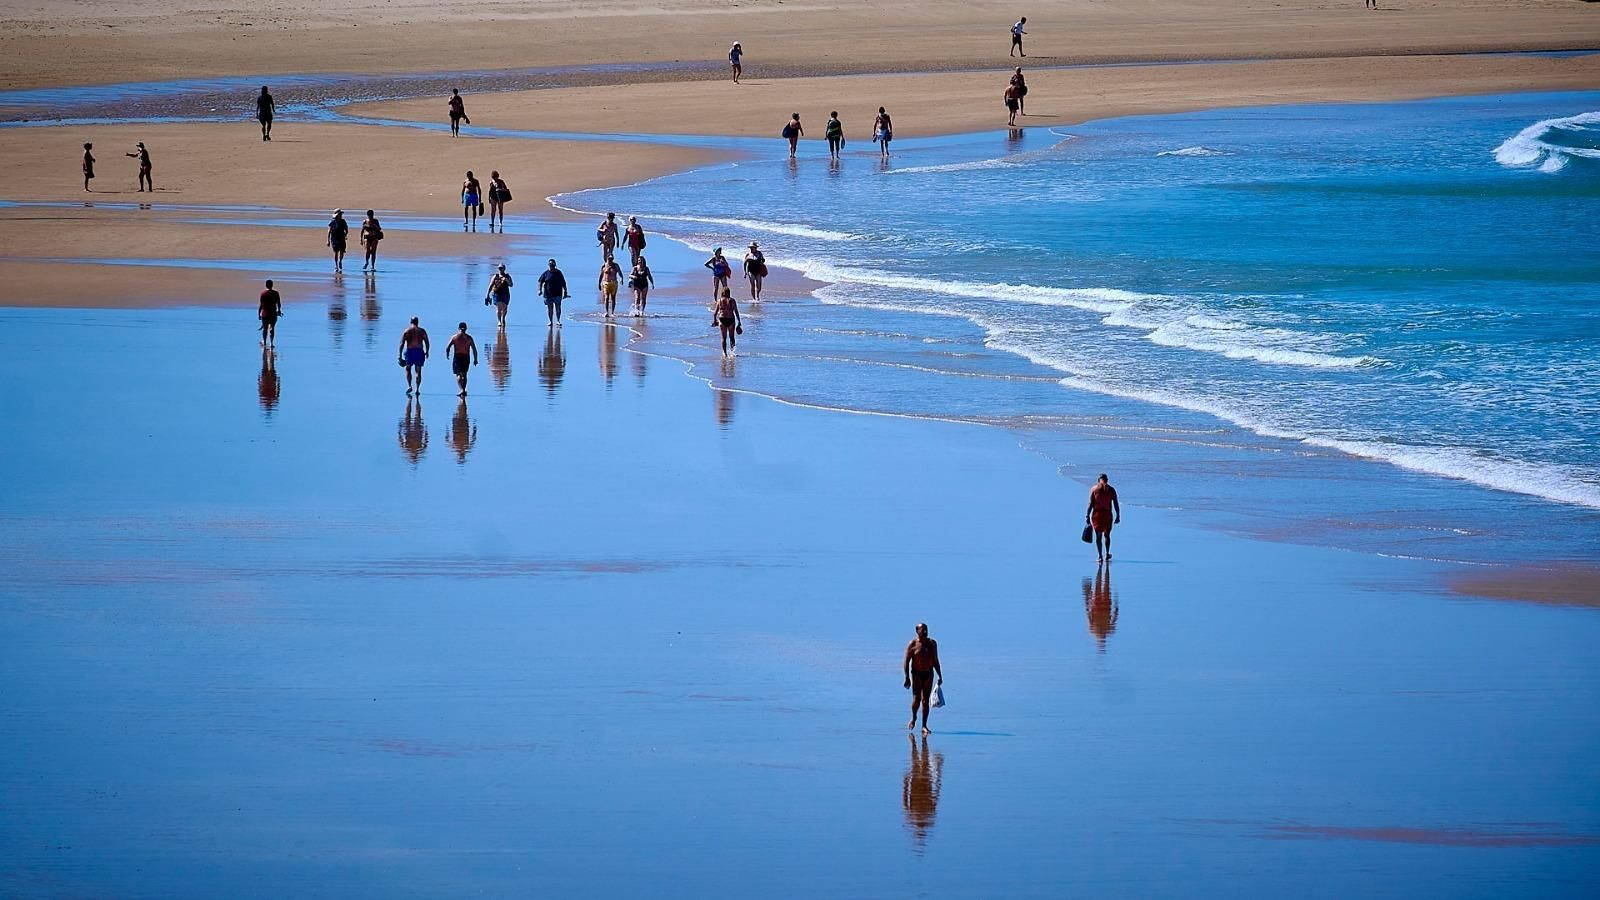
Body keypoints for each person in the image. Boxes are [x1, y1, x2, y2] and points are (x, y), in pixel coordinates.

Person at [903, 622, 942, 735]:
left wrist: (940, 675)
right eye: (922, 630)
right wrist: (907, 677)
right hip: (916, 674)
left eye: (926, 629)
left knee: (925, 701)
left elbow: (935, 660)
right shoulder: (912, 644)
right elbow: (906, 661)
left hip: (929, 674)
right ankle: (914, 717)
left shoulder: (932, 644)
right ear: (917, 631)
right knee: (917, 699)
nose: (925, 632)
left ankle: (924, 725)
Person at [1086, 473, 1122, 562]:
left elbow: (1091, 504)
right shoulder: (1111, 490)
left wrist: (1087, 515)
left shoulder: (1094, 489)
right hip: (1107, 514)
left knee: (1098, 536)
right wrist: (1118, 515)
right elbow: (1116, 503)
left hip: (1097, 515)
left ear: (1098, 480)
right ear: (1107, 480)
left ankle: (1100, 556)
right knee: (1107, 535)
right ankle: (1107, 554)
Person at [398, 316, 430, 395]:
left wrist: (400, 355)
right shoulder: (422, 331)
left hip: (410, 352)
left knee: (408, 369)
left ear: (410, 322)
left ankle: (409, 386)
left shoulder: (407, 331)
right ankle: (417, 389)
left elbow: (402, 343)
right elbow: (427, 342)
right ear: (417, 322)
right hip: (419, 351)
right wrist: (427, 351)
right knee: (418, 371)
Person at [446, 321, 478, 397]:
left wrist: (447, 354)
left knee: (458, 374)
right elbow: (474, 349)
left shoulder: (454, 337)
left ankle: (461, 389)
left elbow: (448, 347)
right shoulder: (469, 338)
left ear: (458, 328)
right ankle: (463, 389)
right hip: (466, 357)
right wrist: (475, 359)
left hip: (458, 356)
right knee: (464, 374)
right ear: (466, 328)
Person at [537, 258, 569, 326]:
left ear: (555, 265)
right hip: (548, 294)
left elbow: (563, 282)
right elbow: (540, 281)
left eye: (553, 266)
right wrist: (539, 290)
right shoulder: (545, 273)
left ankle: (558, 320)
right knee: (550, 308)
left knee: (558, 307)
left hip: (558, 293)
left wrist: (566, 292)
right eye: (550, 265)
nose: (551, 267)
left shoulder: (559, 273)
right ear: (548, 265)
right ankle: (550, 321)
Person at [712, 287, 742, 357]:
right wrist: (739, 321)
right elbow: (736, 312)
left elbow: (715, 313)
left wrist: (715, 321)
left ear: (722, 293)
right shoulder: (732, 300)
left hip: (722, 319)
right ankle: (732, 352)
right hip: (731, 319)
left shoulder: (719, 301)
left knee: (723, 338)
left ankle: (724, 353)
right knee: (732, 337)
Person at [258, 279, 282, 347]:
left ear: (266, 285)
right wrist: (279, 310)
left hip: (265, 313)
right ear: (272, 285)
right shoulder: (276, 293)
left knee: (265, 329)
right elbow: (279, 303)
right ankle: (271, 343)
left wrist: (259, 313)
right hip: (273, 313)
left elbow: (261, 305)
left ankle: (265, 342)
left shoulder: (263, 294)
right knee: (272, 328)